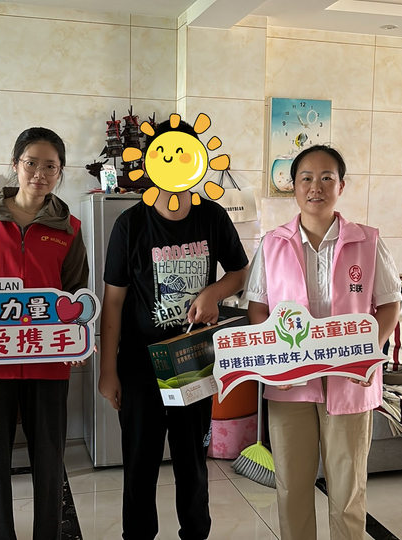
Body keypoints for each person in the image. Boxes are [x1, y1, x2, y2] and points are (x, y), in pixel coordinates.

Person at [98, 119, 249, 540]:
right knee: (140, 463)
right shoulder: (130, 224)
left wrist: (213, 293)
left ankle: (195, 533)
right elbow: (113, 302)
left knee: (192, 461)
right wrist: (107, 370)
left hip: (192, 359)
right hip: (139, 365)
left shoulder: (212, 216)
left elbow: (239, 272)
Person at [244, 145, 402, 540]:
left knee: (348, 490)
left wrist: (367, 355)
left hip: (350, 380)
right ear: (294, 187)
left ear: (341, 186)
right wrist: (275, 364)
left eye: (326, 178)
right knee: (292, 486)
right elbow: (258, 309)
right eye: (307, 178)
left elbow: (390, 305)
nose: (316, 187)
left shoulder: (367, 241)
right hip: (290, 383)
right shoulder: (273, 243)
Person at [0, 127, 89, 540]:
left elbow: (75, 292)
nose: (39, 174)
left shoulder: (68, 228)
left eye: (50, 166)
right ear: (15, 165)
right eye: (31, 163)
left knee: (49, 462)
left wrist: (79, 334)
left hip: (47, 360)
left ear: (60, 172)